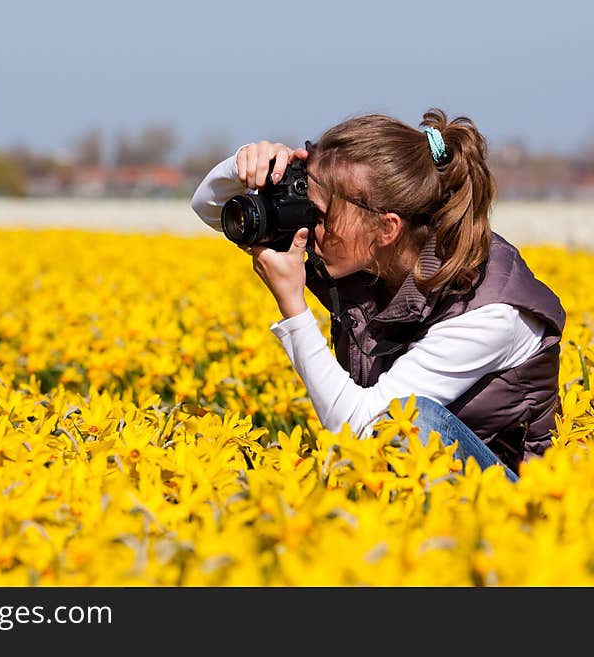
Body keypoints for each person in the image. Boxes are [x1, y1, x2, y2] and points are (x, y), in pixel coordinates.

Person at [190, 109, 566, 482]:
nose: (309, 226)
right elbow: (210, 208)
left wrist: (293, 307)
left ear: (387, 228)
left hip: (521, 507)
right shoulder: (365, 252)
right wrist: (249, 164)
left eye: (320, 214)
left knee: (411, 421)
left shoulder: (488, 314)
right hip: (419, 482)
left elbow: (364, 428)